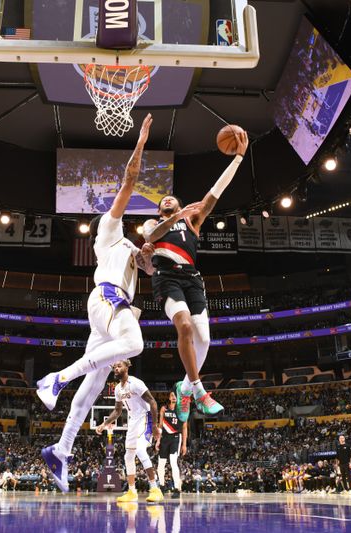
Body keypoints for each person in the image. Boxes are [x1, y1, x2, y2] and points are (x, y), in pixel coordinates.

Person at [35, 114, 157, 492]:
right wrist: (141, 142)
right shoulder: (109, 228)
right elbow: (130, 180)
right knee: (134, 345)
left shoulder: (134, 250)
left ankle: (61, 450)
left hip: (109, 313)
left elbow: (151, 270)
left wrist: (150, 254)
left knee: (91, 390)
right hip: (106, 297)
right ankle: (56, 378)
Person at [142, 127, 249, 422]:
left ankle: (185, 386)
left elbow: (217, 190)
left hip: (193, 280)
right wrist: (176, 216)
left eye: (171, 199)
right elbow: (154, 234)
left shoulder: (194, 220)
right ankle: (199, 390)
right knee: (185, 328)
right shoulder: (152, 224)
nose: (167, 199)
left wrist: (238, 158)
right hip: (166, 278)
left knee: (204, 339)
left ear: (180, 204)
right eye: (163, 200)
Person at [96, 360, 162, 503]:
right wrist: (104, 423)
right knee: (128, 456)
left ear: (127, 367)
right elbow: (118, 411)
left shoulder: (136, 383)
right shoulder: (118, 389)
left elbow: (153, 402)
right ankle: (132, 491)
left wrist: (155, 426)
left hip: (145, 417)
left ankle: (155, 489)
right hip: (132, 421)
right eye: (114, 367)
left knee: (139, 449)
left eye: (119, 366)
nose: (116, 369)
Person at [156, 391, 187, 496]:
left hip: (175, 438)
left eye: (176, 396)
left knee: (173, 462)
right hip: (164, 438)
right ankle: (162, 486)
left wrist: (184, 444)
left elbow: (184, 428)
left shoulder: (182, 411)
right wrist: (158, 440)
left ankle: (177, 489)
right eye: (172, 395)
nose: (174, 397)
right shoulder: (164, 409)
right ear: (169, 398)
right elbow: (160, 425)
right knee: (160, 465)